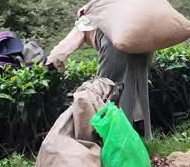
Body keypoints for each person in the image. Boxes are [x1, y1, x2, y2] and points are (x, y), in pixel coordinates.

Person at [46, 9, 154, 141]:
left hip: (114, 45)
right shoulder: (115, 12)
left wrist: (51, 61)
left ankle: (109, 138)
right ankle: (141, 135)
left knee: (104, 91)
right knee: (137, 85)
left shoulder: (85, 20)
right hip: (144, 40)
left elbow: (68, 43)